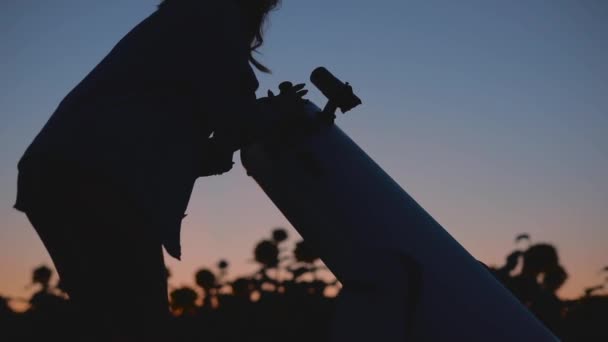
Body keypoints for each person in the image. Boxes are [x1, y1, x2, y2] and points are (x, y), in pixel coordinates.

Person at [14, 0, 305, 340]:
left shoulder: (183, 18)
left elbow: (163, 131)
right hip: (98, 177)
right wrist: (279, 113)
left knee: (107, 322)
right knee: (139, 322)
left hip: (58, 168)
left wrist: (215, 149)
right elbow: (235, 118)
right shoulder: (213, 14)